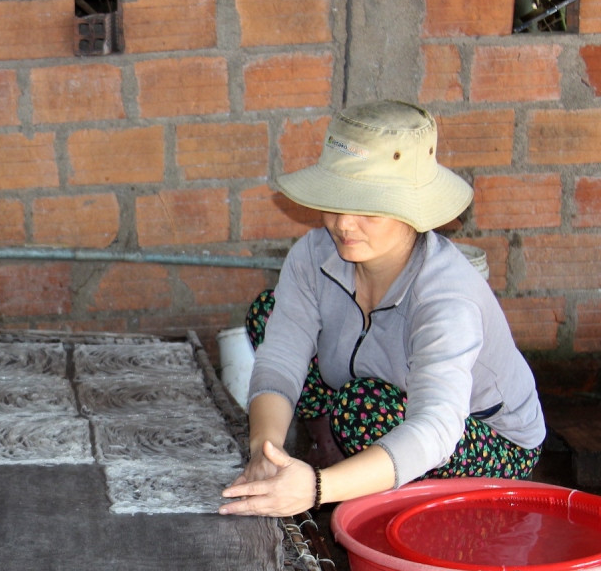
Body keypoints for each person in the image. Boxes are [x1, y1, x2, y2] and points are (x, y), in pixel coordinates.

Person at [219, 100, 544, 519]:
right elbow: (281, 356)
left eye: (368, 209)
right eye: (335, 202)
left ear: (411, 209)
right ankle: (329, 451)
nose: (343, 224)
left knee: (362, 408)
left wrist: (319, 490)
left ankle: (358, 482)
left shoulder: (447, 297)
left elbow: (436, 429)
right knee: (270, 312)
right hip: (382, 391)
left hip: (488, 439)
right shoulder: (314, 255)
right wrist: (266, 450)